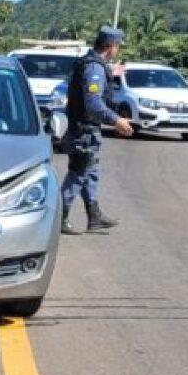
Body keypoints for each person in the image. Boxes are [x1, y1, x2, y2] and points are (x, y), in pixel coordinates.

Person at [61, 26, 133, 235]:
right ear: (111, 47)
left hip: (84, 128)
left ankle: (94, 216)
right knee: (79, 173)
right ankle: (59, 217)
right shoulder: (94, 69)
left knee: (90, 171)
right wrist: (116, 120)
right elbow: (93, 104)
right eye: (118, 46)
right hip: (83, 130)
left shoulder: (94, 65)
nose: (117, 50)